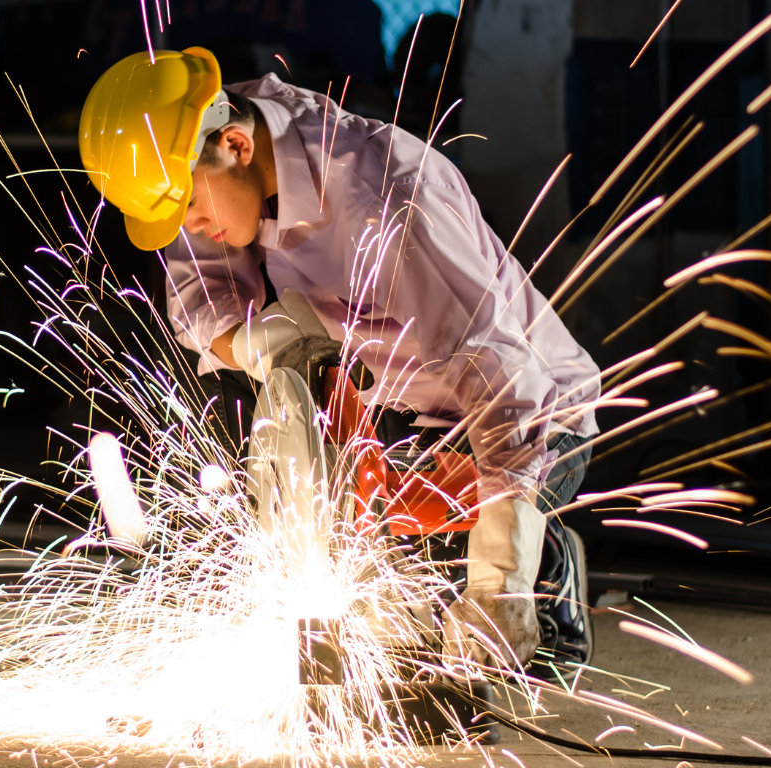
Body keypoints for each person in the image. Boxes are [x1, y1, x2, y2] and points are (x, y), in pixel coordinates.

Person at [77, 47, 602, 675]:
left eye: (191, 207)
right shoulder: (207, 137)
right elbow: (202, 298)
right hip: (406, 402)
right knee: (371, 582)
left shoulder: (387, 201)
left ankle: (546, 573)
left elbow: (507, 388)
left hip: (528, 419)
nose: (192, 225)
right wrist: (246, 344)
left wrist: (500, 584)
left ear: (239, 148)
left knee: (452, 606)